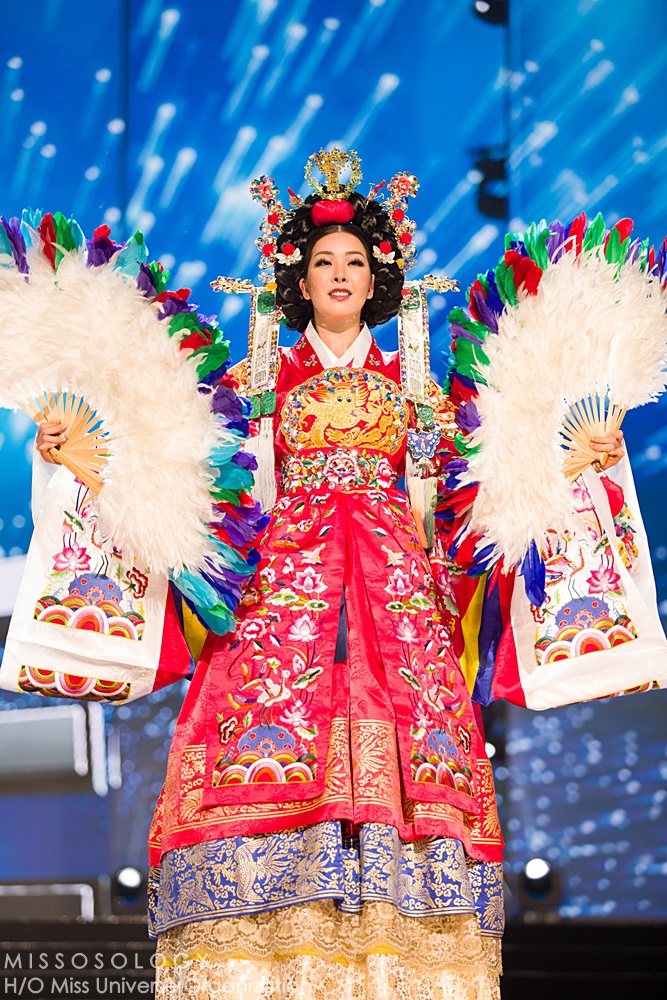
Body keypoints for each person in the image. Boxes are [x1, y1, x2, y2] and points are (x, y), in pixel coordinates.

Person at [32, 153, 625, 1000]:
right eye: (323, 263)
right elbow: (179, 490)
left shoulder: (417, 388)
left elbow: (481, 500)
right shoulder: (253, 386)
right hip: (282, 608)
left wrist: (575, 461)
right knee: (261, 766)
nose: (340, 276)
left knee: (409, 776)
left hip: (396, 613)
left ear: (377, 276)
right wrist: (83, 459)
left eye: (354, 262)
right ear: (298, 281)